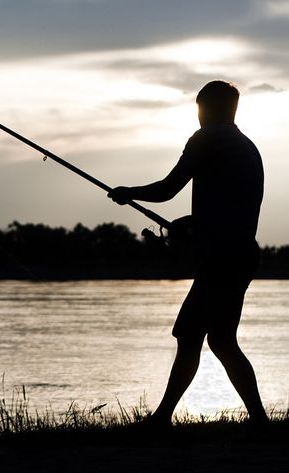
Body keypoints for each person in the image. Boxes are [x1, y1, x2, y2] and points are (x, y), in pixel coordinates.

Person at [108, 80, 268, 426]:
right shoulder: (247, 147)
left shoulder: (207, 139)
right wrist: (189, 224)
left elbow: (168, 188)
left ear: (205, 109)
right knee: (204, 338)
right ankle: (169, 416)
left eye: (199, 109)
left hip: (221, 258)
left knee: (209, 338)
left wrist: (127, 193)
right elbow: (231, 208)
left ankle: (253, 419)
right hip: (240, 254)